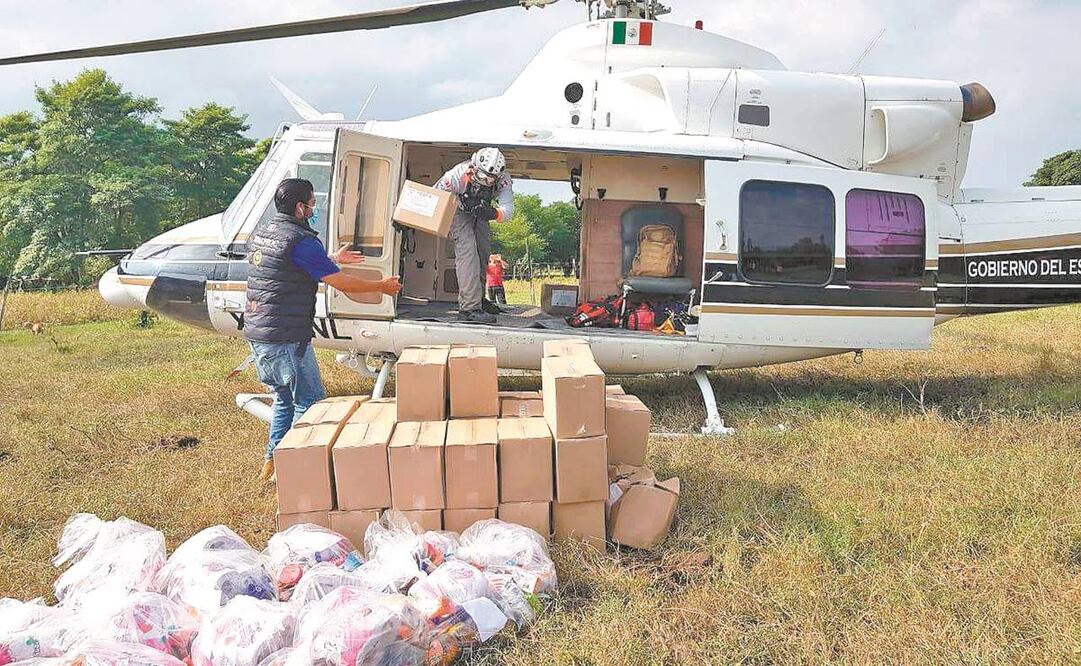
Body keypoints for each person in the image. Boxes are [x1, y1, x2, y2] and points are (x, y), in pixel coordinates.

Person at [245, 178, 401, 481]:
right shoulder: (302, 241)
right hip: (285, 336)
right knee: (310, 401)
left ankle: (271, 463)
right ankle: (296, 470)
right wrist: (382, 286)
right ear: (300, 207)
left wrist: (330, 259)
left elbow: (285, 265)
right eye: (312, 204)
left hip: (258, 332)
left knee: (284, 399)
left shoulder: (263, 234)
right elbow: (341, 283)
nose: (314, 209)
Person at [435, 148, 514, 324]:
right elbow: (434, 197)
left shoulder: (503, 180)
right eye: (482, 176)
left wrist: (492, 213)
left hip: (483, 213)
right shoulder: (455, 176)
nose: (485, 181)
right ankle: (469, 308)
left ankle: (479, 299)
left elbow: (508, 210)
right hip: (458, 211)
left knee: (483, 252)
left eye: (489, 179)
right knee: (468, 253)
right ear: (474, 165)